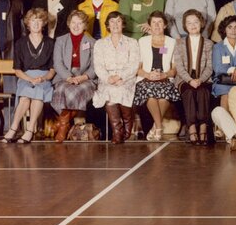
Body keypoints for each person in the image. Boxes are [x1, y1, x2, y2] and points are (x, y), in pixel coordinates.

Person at [1, 8, 55, 143]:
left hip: (44, 77)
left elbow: (53, 70)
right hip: (25, 77)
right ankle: (14, 128)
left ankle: (30, 130)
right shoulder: (20, 43)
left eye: (39, 21)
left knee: (37, 93)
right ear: (28, 24)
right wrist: (30, 79)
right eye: (32, 21)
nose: (36, 24)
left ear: (43, 24)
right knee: (25, 96)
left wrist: (43, 78)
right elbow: (17, 70)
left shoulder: (51, 43)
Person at [91, 11, 140, 144]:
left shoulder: (132, 42)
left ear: (123, 24)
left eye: (118, 21)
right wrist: (108, 78)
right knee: (109, 92)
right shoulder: (100, 44)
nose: (115, 24)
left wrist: (120, 76)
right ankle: (117, 131)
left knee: (122, 90)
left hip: (126, 78)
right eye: (112, 21)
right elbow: (98, 66)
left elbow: (134, 64)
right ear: (107, 25)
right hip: (107, 78)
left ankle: (127, 120)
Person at [50, 9, 97, 142]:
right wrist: (69, 77)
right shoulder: (60, 40)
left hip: (85, 78)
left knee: (78, 90)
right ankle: (65, 123)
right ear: (69, 24)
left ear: (85, 26)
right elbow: (57, 63)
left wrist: (82, 78)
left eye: (80, 23)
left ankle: (62, 124)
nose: (76, 26)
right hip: (64, 76)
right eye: (73, 22)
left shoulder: (92, 42)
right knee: (61, 89)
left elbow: (95, 66)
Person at [132, 11, 179, 141]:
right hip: (146, 78)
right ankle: (159, 127)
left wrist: (164, 74)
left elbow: (174, 69)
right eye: (154, 23)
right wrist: (148, 74)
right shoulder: (142, 41)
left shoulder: (172, 42)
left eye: (160, 23)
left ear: (165, 25)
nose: (157, 25)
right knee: (150, 94)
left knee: (164, 98)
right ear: (149, 26)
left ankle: (155, 127)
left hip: (165, 78)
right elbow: (138, 68)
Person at [172, 8, 214, 145]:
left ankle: (203, 128)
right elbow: (179, 67)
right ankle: (191, 129)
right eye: (189, 23)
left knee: (202, 91)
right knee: (189, 92)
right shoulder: (179, 43)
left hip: (203, 77)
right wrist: (190, 80)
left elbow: (210, 66)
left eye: (195, 22)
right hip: (185, 78)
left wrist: (200, 80)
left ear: (201, 23)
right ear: (185, 25)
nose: (193, 25)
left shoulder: (209, 43)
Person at [211, 14, 236, 116]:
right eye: (230, 27)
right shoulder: (218, 47)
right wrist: (234, 69)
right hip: (223, 81)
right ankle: (222, 128)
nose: (233, 30)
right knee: (226, 94)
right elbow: (218, 68)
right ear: (224, 29)